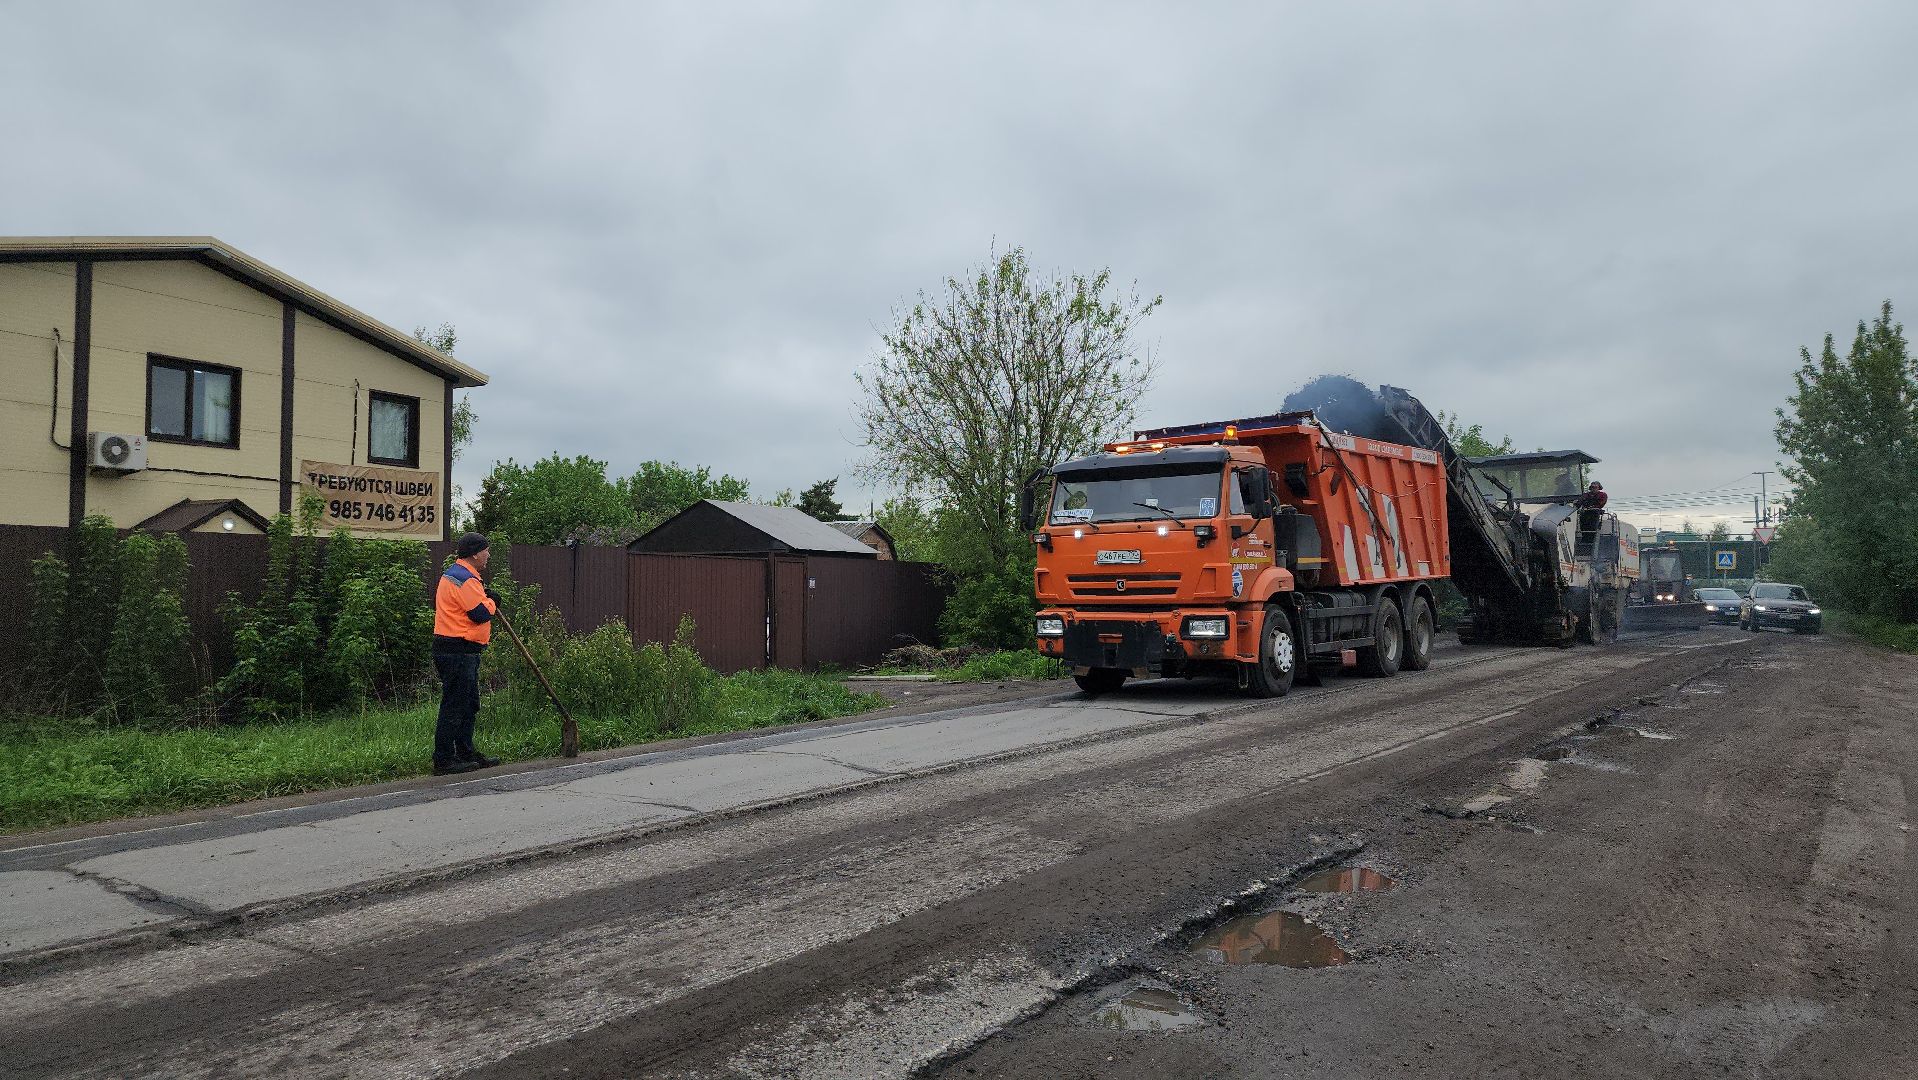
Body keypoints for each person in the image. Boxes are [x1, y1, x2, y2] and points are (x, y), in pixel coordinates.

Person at [432, 532, 502, 775]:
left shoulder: (460, 575)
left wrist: (487, 598)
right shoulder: (465, 579)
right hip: (457, 650)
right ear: (474, 553)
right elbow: (480, 613)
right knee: (455, 704)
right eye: (486, 550)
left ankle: (465, 752)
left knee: (468, 704)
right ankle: (444, 759)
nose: (488, 554)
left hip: (461, 650)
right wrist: (493, 602)